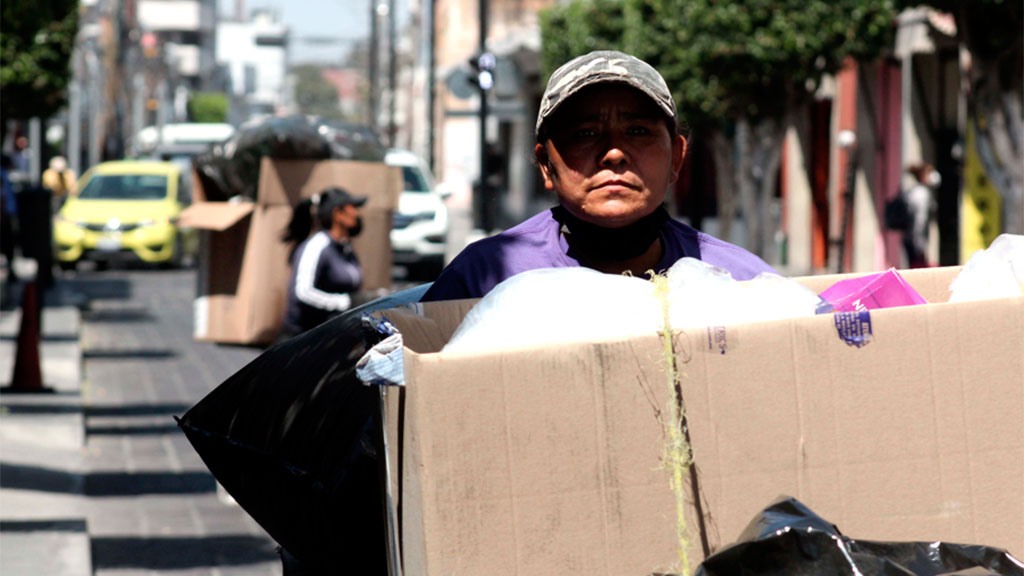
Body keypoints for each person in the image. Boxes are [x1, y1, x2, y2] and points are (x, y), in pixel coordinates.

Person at [422, 50, 775, 302]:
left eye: (637, 131)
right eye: (586, 134)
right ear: (546, 164)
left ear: (676, 159)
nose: (615, 153)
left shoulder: (743, 285)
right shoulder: (483, 278)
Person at [279, 187, 367, 340]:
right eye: (353, 207)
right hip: (303, 339)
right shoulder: (317, 246)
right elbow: (303, 292)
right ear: (337, 214)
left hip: (333, 336)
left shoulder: (346, 247)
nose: (357, 214)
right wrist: (343, 302)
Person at [902, 162, 938, 268]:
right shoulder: (922, 194)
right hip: (916, 240)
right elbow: (920, 219)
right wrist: (919, 243)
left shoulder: (913, 191)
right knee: (917, 268)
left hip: (910, 238)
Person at [1, 154, 18, 282]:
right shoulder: (2, 175)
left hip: (6, 214)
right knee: (7, 244)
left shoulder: (4, 174)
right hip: (4, 215)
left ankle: (10, 270)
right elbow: (2, 196)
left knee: (8, 244)